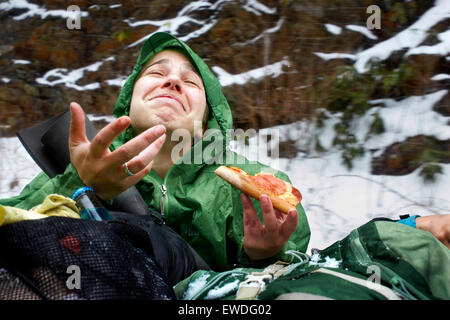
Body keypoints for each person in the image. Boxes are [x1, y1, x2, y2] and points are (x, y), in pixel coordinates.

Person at [0, 31, 448, 275]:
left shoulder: (244, 177)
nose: (172, 81)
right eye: (156, 73)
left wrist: (264, 252)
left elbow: (288, 271)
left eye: (189, 81)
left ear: (207, 120)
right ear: (128, 102)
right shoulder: (79, 159)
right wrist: (81, 185)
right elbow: (11, 234)